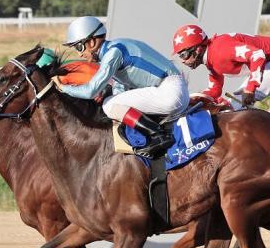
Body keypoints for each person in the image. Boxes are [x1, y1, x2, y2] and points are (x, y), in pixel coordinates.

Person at [59, 16, 189, 158]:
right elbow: (120, 87)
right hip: (173, 90)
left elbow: (91, 91)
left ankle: (157, 134)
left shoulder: (113, 53)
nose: (79, 54)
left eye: (79, 47)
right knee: (112, 102)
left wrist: (62, 88)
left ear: (92, 41)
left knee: (108, 104)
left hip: (169, 91)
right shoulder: (118, 47)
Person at [172, 24, 270, 108]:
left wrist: (251, 88)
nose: (183, 61)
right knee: (233, 102)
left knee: (234, 103)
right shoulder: (211, 61)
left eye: (183, 55)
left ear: (198, 49)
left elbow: (257, 55)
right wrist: (192, 100)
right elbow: (214, 90)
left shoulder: (220, 50)